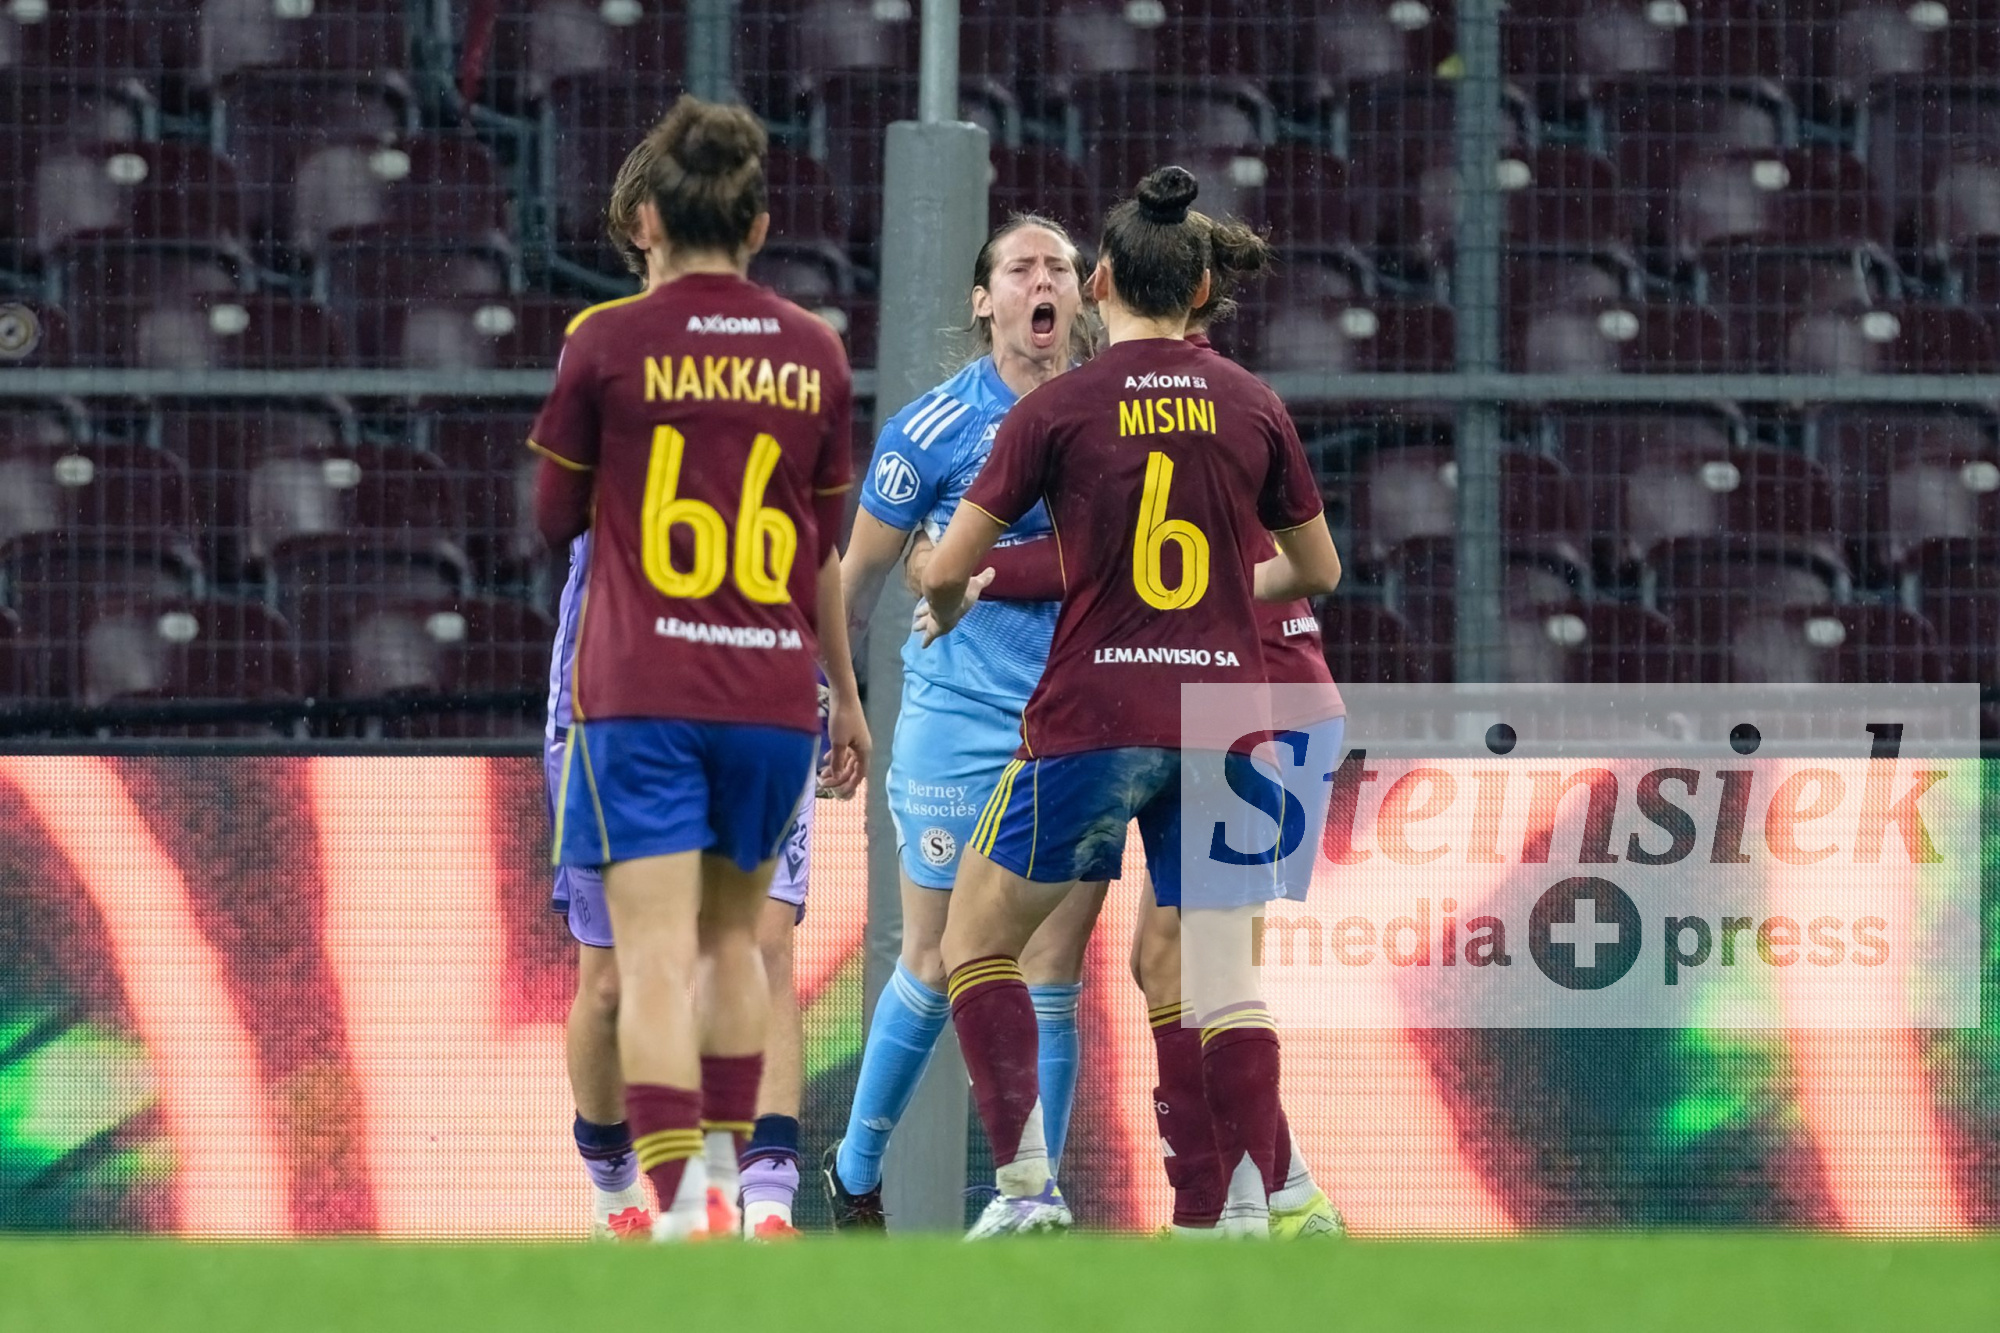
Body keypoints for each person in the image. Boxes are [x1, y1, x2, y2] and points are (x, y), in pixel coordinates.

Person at [919, 166, 1343, 1238]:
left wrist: (949, 598)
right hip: (1229, 716)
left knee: (974, 941)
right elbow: (1318, 570)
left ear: (1099, 281)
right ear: (1199, 288)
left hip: (1097, 715)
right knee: (1219, 974)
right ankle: (1238, 1213)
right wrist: (1219, 596)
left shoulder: (1056, 406)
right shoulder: (1252, 402)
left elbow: (949, 566)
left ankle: (1025, 1189)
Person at [532, 94, 868, 1243]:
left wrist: (843, 691)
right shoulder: (731, 346)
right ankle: (618, 1188)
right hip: (628, 682)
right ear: (756, 223)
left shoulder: (614, 346)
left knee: (749, 946)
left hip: (712, 685)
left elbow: (554, 514)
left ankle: (743, 1200)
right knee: (622, 974)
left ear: (648, 221)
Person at [826, 214, 1104, 1228]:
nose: (1043, 280)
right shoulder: (931, 429)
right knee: (936, 959)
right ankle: (854, 1171)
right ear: (984, 301)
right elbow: (854, 577)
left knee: (1053, 971)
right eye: (1020, 268)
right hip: (956, 723)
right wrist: (834, 697)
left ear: (1080, 297)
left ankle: (1031, 1200)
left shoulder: (1113, 422)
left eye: (1059, 267)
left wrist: (961, 571)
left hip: (1074, 726)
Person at [1128, 212, 1345, 1239]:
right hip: (1256, 697)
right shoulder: (1220, 394)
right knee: (1165, 959)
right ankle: (1258, 1191)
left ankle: (1250, 1202)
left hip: (1258, 700)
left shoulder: (1167, 403)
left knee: (1210, 965)